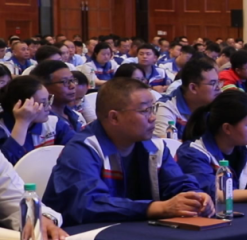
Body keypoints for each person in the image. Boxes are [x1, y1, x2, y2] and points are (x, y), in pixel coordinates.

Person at [43, 78, 212, 225]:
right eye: (144, 111)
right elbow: (88, 205)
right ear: (114, 117)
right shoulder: (82, 149)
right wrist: (157, 208)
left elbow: (177, 184)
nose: (153, 117)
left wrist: (195, 197)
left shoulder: (155, 146)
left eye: (153, 109)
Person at [0, 75, 76, 164]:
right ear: (20, 105)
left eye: (49, 100)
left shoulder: (53, 123)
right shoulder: (2, 129)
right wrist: (22, 122)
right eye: (43, 103)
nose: (49, 108)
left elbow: (77, 149)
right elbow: (4, 165)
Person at [154, 58, 220, 139]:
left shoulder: (218, 105)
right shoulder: (166, 107)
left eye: (218, 82)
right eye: (213, 83)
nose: (218, 88)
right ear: (193, 88)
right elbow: (167, 143)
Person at [30, 60, 87, 132]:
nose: (72, 86)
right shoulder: (43, 122)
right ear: (44, 87)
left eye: (72, 80)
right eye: (64, 81)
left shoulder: (75, 115)